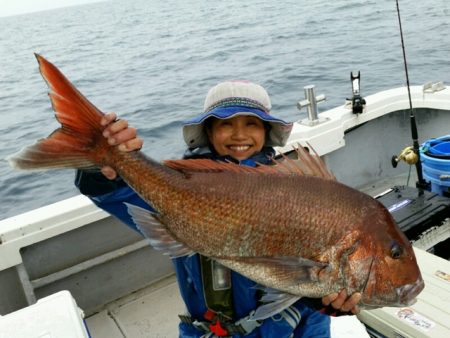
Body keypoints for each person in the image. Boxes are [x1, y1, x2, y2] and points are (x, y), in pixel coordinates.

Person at [75, 81, 361, 337]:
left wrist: (323, 302)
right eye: (226, 124)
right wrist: (100, 170)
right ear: (209, 132)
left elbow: (309, 290)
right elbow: (116, 196)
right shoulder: (178, 187)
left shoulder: (292, 190)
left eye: (252, 123)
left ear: (266, 131)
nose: (239, 134)